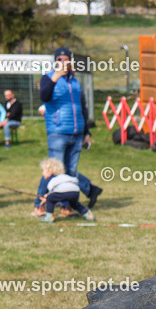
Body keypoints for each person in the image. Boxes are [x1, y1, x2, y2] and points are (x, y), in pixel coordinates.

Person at [38, 47, 102, 210]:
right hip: (58, 132)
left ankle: (65, 206)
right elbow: (44, 96)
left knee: (70, 173)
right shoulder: (47, 78)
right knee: (53, 170)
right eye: (60, 60)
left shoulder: (75, 81)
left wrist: (87, 133)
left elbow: (83, 108)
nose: (63, 62)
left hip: (77, 133)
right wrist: (56, 77)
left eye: (66, 59)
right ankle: (39, 204)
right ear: (55, 61)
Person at [37, 157, 95, 223]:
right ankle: (87, 213)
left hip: (63, 191)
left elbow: (52, 192)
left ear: (50, 171)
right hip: (75, 191)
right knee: (74, 204)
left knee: (50, 199)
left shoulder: (52, 179)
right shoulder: (64, 176)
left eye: (43, 170)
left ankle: (48, 217)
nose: (42, 173)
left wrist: (47, 197)